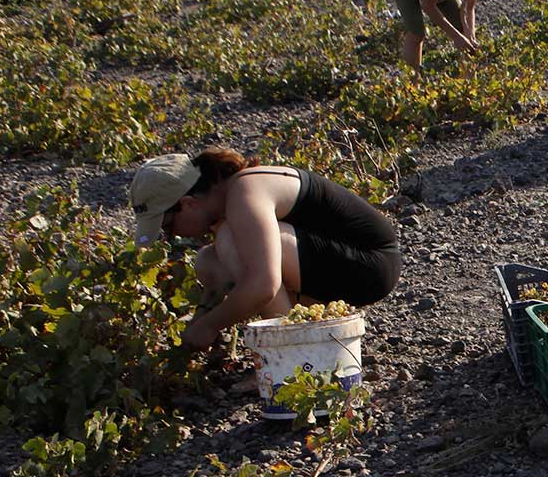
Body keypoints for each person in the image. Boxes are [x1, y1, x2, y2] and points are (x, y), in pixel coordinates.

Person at [129, 148, 401, 349]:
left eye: (168, 226)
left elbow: (263, 286)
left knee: (231, 242)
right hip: (337, 264)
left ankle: (292, 350)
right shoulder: (229, 200)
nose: (170, 235)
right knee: (208, 261)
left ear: (188, 203)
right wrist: (202, 317)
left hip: (371, 265)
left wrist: (208, 327)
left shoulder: (244, 191)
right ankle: (302, 335)